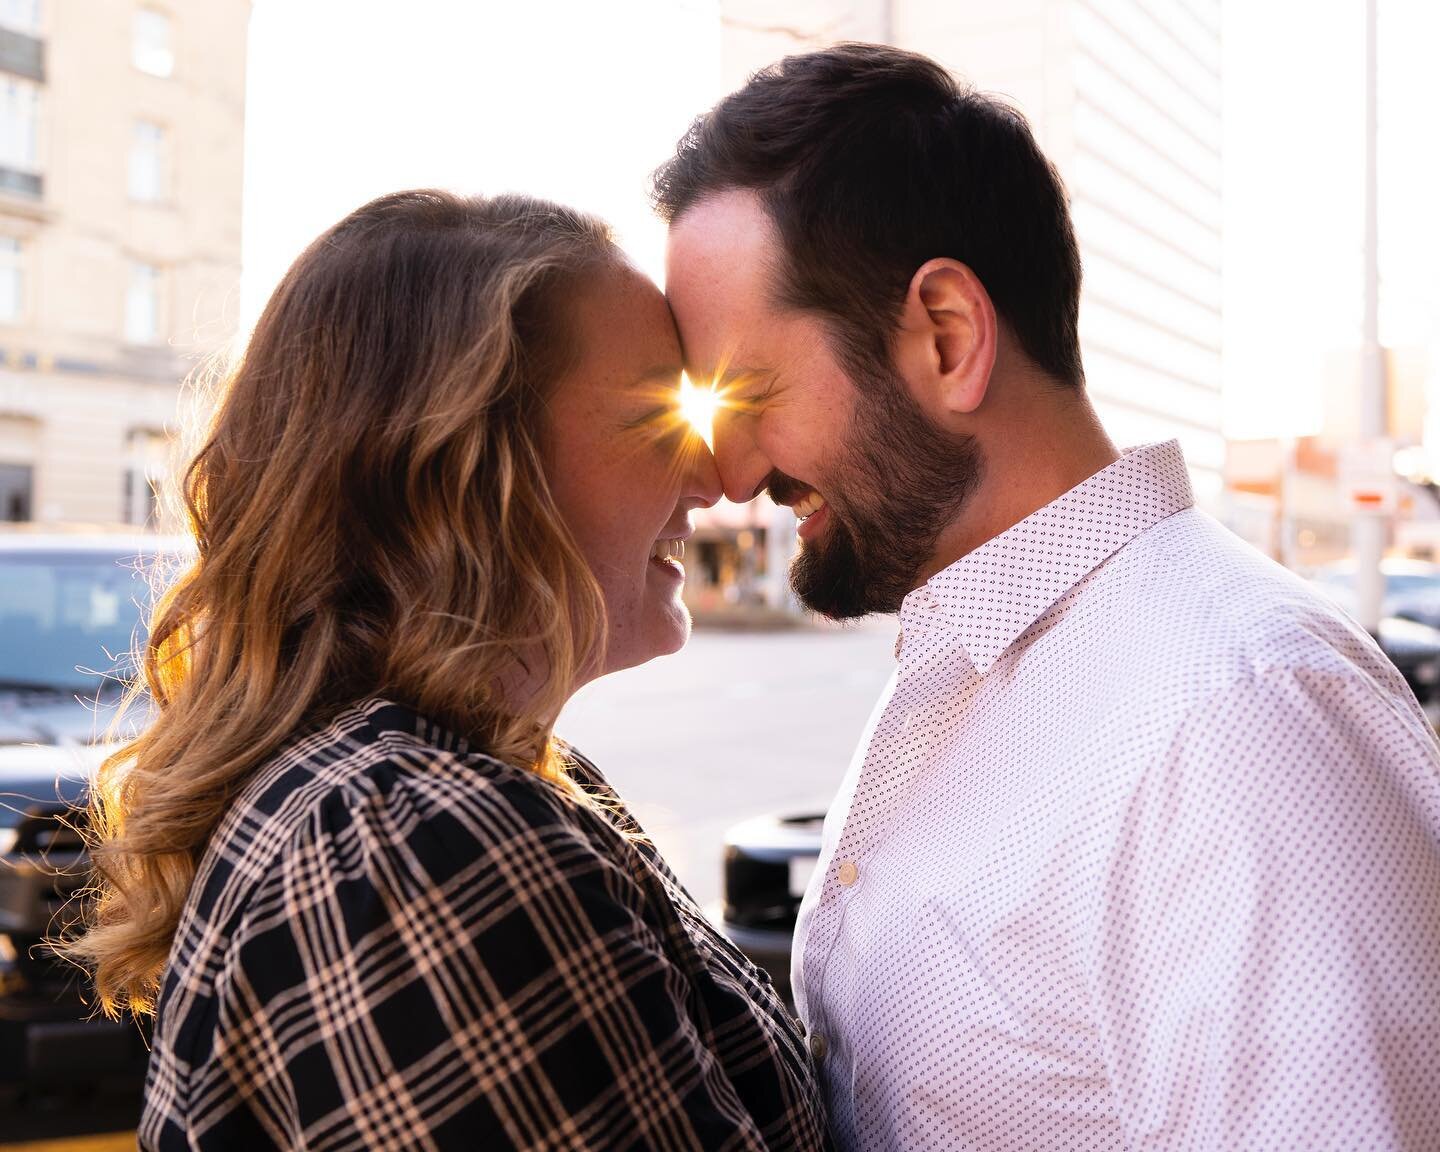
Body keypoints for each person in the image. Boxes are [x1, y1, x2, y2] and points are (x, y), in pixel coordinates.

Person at [655, 43, 1440, 1151]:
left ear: (948, 337)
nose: (730, 474)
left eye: (754, 390)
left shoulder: (1242, 717)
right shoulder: (981, 664)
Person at [66, 190, 832, 1150]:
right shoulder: (410, 839)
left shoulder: (460, 781)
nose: (715, 477)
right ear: (464, 470)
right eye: (653, 416)